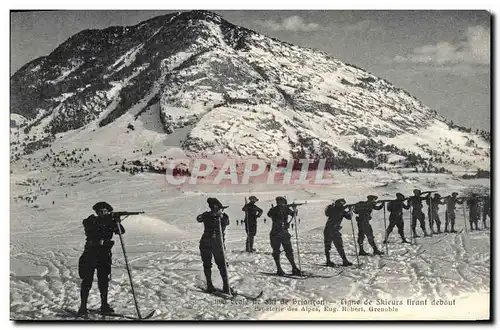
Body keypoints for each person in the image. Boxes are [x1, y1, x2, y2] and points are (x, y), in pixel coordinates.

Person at [78, 202, 125, 316]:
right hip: (90, 255)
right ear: (96, 212)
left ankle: (104, 305)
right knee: (87, 280)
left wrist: (117, 221)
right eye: (100, 211)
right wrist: (109, 220)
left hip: (104, 255)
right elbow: (90, 228)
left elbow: (121, 231)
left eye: (104, 211)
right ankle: (83, 307)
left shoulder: (111, 222)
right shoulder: (91, 220)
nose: (102, 213)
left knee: (103, 281)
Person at [197, 198, 231, 294]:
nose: (222, 210)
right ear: (216, 207)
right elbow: (198, 219)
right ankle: (209, 285)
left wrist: (219, 216)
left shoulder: (223, 217)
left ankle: (226, 286)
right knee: (208, 264)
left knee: (222, 264)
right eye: (220, 208)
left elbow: (227, 222)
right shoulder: (207, 215)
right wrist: (212, 214)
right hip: (207, 243)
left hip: (218, 244)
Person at [267, 197, 301, 276]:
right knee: (278, 252)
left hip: (280, 233)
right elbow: (269, 215)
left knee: (288, 251)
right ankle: (280, 269)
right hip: (278, 233)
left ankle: (293, 268)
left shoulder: (284, 209)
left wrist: (294, 209)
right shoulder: (275, 210)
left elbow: (294, 214)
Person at [324, 199, 353, 266]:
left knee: (331, 246)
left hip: (330, 230)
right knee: (337, 246)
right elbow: (349, 217)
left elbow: (349, 217)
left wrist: (349, 210)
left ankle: (330, 261)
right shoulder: (339, 210)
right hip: (332, 230)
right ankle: (343, 261)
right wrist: (350, 210)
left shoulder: (336, 210)